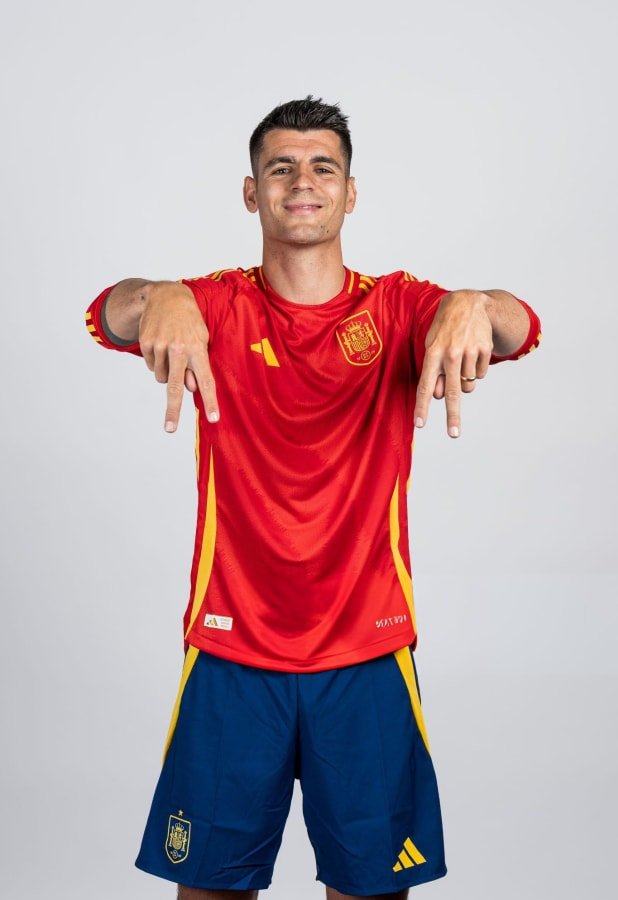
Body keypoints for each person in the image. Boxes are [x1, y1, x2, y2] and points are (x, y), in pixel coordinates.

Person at [85, 96, 541, 900]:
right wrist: (155, 293)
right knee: (209, 892)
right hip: (230, 653)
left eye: (323, 167)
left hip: (367, 655)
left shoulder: (398, 307)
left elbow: (519, 326)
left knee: (371, 893)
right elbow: (109, 314)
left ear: (351, 193)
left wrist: (475, 302)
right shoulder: (213, 306)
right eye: (281, 168)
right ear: (251, 192)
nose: (303, 181)